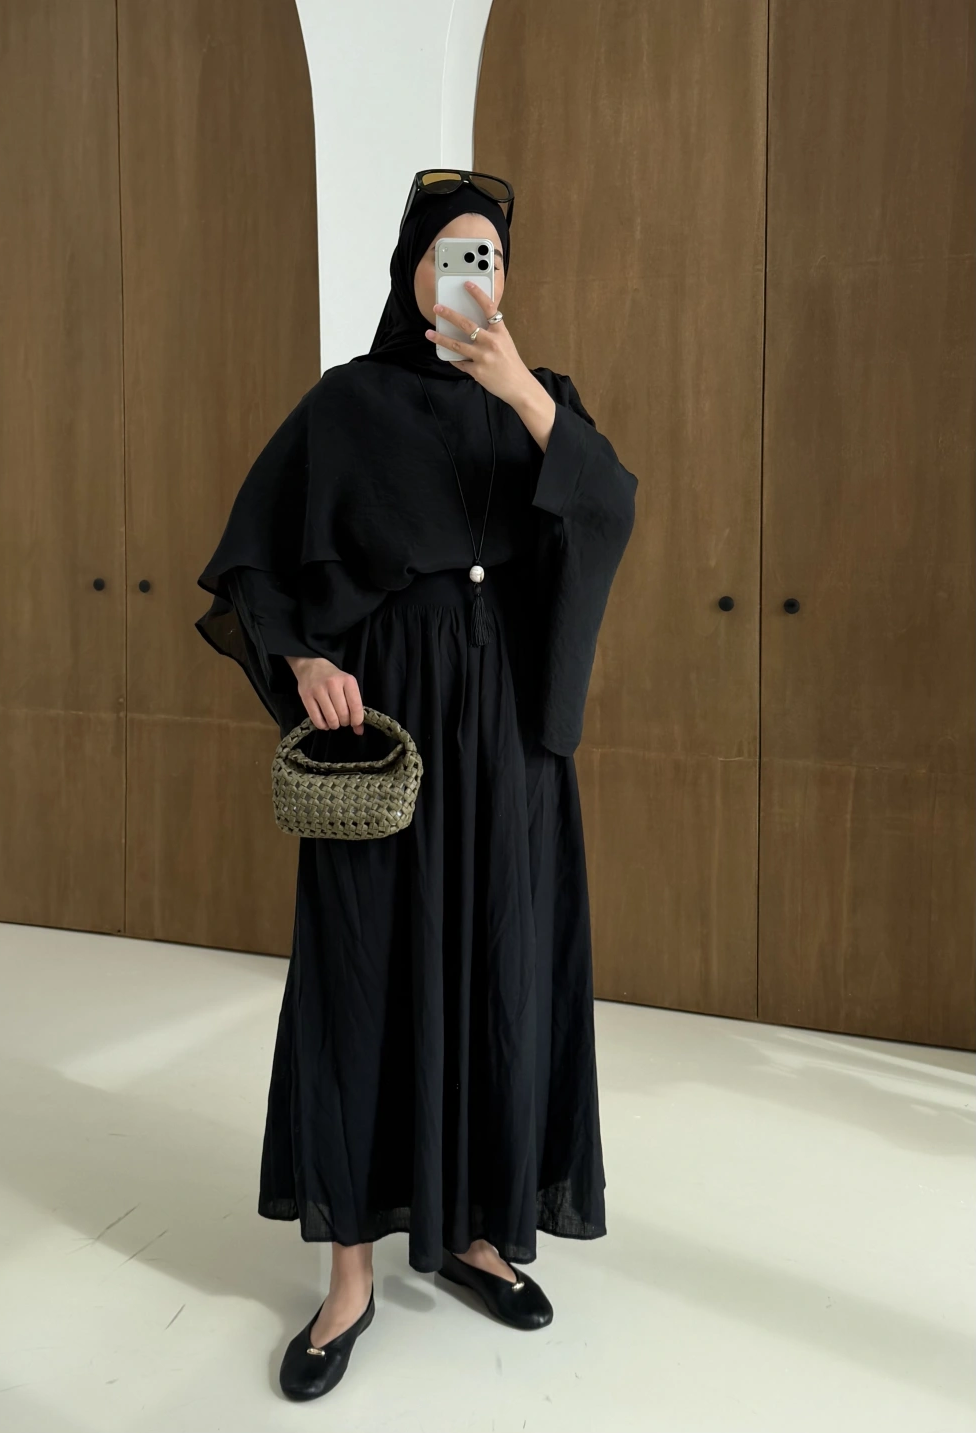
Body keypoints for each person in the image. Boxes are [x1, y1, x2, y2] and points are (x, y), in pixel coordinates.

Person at [194, 169, 638, 1401]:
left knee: (503, 966)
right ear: (411, 272)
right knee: (361, 976)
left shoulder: (543, 400)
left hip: (508, 737)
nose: (469, 276)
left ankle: (477, 1230)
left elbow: (609, 511)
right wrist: (303, 656)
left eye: (489, 257)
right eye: (451, 255)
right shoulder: (347, 402)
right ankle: (349, 1274)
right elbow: (250, 558)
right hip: (388, 724)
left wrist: (521, 393)